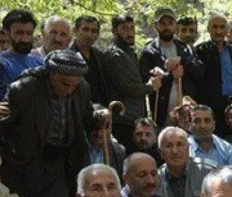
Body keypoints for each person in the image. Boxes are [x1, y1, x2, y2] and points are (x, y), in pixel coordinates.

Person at [0, 50, 102, 197]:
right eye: (65, 84)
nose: (70, 90)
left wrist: (99, 117)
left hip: (60, 162)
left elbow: (87, 116)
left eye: (74, 85)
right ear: (53, 75)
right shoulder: (24, 89)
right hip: (26, 162)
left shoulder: (82, 88)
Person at [104, 14, 164, 153]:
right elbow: (125, 87)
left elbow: (136, 79)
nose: (130, 32)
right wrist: (149, 87)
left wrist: (152, 74)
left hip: (135, 117)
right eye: (125, 29)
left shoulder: (128, 52)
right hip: (122, 119)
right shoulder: (114, 54)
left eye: (132, 28)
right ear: (114, 31)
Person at [140, 8, 202, 128]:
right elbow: (145, 81)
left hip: (186, 111)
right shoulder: (149, 51)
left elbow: (200, 72)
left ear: (175, 26)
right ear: (156, 26)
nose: (166, 27)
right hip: (162, 112)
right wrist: (170, 76)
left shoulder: (185, 48)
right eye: (162, 23)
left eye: (170, 23)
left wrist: (182, 61)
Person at [195, 13, 232, 137]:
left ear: (227, 30)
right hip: (214, 105)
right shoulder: (201, 51)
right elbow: (199, 82)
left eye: (222, 27)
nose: (219, 31)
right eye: (215, 27)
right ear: (208, 29)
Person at [156, 126, 218, 197]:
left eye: (180, 144)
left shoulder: (209, 171)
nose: (175, 151)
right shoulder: (156, 179)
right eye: (169, 146)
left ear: (188, 148)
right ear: (160, 153)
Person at [0, 10, 42, 103]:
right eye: (19, 33)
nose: (25, 39)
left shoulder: (40, 62)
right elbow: (0, 104)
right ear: (7, 33)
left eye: (29, 33)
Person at [69, 16, 109, 106]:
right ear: (75, 31)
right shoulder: (67, 56)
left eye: (94, 31)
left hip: (102, 109)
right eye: (85, 29)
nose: (89, 35)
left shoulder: (100, 56)